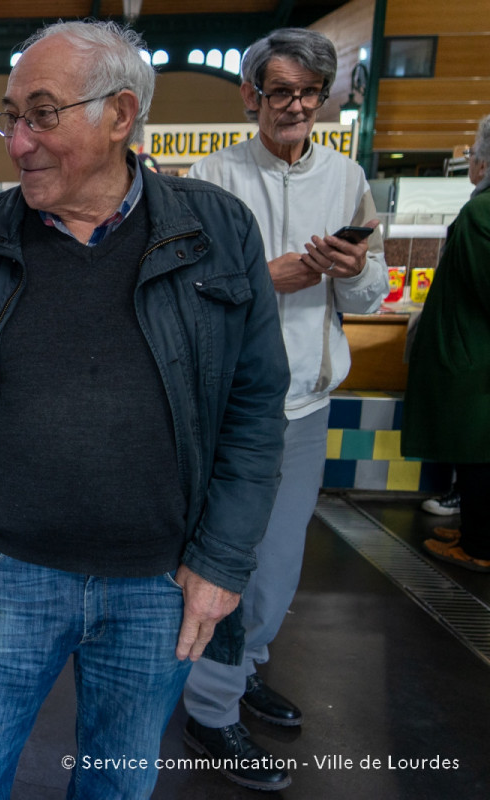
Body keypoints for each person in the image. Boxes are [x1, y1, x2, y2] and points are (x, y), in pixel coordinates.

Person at [0, 20, 290, 799]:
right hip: (2, 578)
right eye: (11, 114)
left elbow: (254, 409)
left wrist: (221, 562)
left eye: (42, 113)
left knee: (117, 785)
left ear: (120, 115)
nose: (17, 142)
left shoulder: (216, 231)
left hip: (160, 586)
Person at [181, 28, 389, 791]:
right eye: (281, 92)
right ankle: (209, 707)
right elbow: (187, 294)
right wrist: (263, 278)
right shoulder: (211, 178)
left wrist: (356, 268)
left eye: (311, 94)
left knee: (281, 566)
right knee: (231, 560)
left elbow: (370, 296)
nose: (297, 107)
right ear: (250, 97)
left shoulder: (346, 176)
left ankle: (245, 669)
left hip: (307, 403)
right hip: (233, 406)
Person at [402, 113, 490, 571]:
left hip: (474, 356)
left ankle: (478, 544)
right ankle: (477, 529)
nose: (473, 162)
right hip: (473, 352)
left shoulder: (481, 211)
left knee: (477, 453)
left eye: (475, 154)